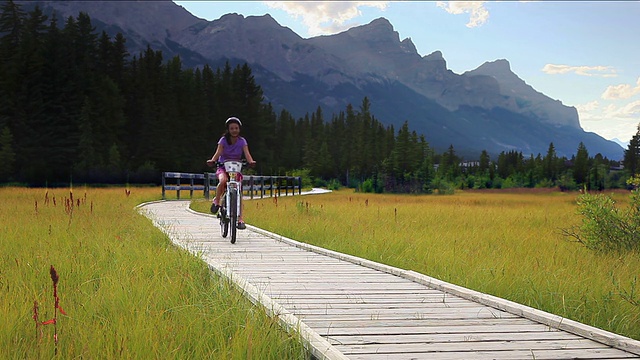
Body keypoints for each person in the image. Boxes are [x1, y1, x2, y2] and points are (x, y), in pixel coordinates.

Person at [206, 117, 256, 229]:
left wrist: (251, 161)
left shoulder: (242, 141)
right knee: (223, 181)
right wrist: (213, 160)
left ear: (239, 129)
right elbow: (218, 152)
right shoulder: (223, 140)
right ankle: (217, 201)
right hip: (223, 167)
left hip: (235, 168)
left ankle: (240, 219)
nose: (234, 130)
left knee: (239, 191)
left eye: (236, 128)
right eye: (232, 128)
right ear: (228, 129)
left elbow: (247, 154)